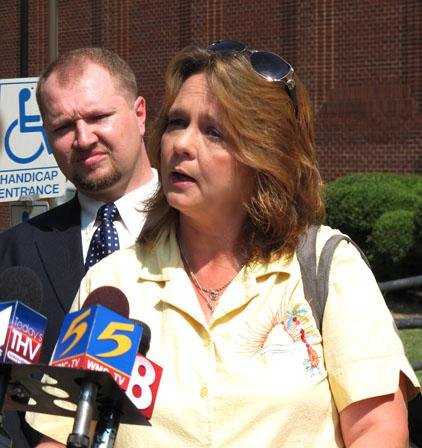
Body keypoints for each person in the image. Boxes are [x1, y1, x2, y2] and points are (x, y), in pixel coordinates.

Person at [30, 41, 419, 448]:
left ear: (261, 152)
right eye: (177, 123)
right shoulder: (113, 284)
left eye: (213, 131)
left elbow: (378, 430)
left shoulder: (327, 266)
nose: (181, 144)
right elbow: (62, 436)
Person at [0, 47, 158, 447]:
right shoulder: (17, 252)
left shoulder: (201, 230)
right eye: (63, 127)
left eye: (99, 117)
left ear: (140, 114)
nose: (84, 138)